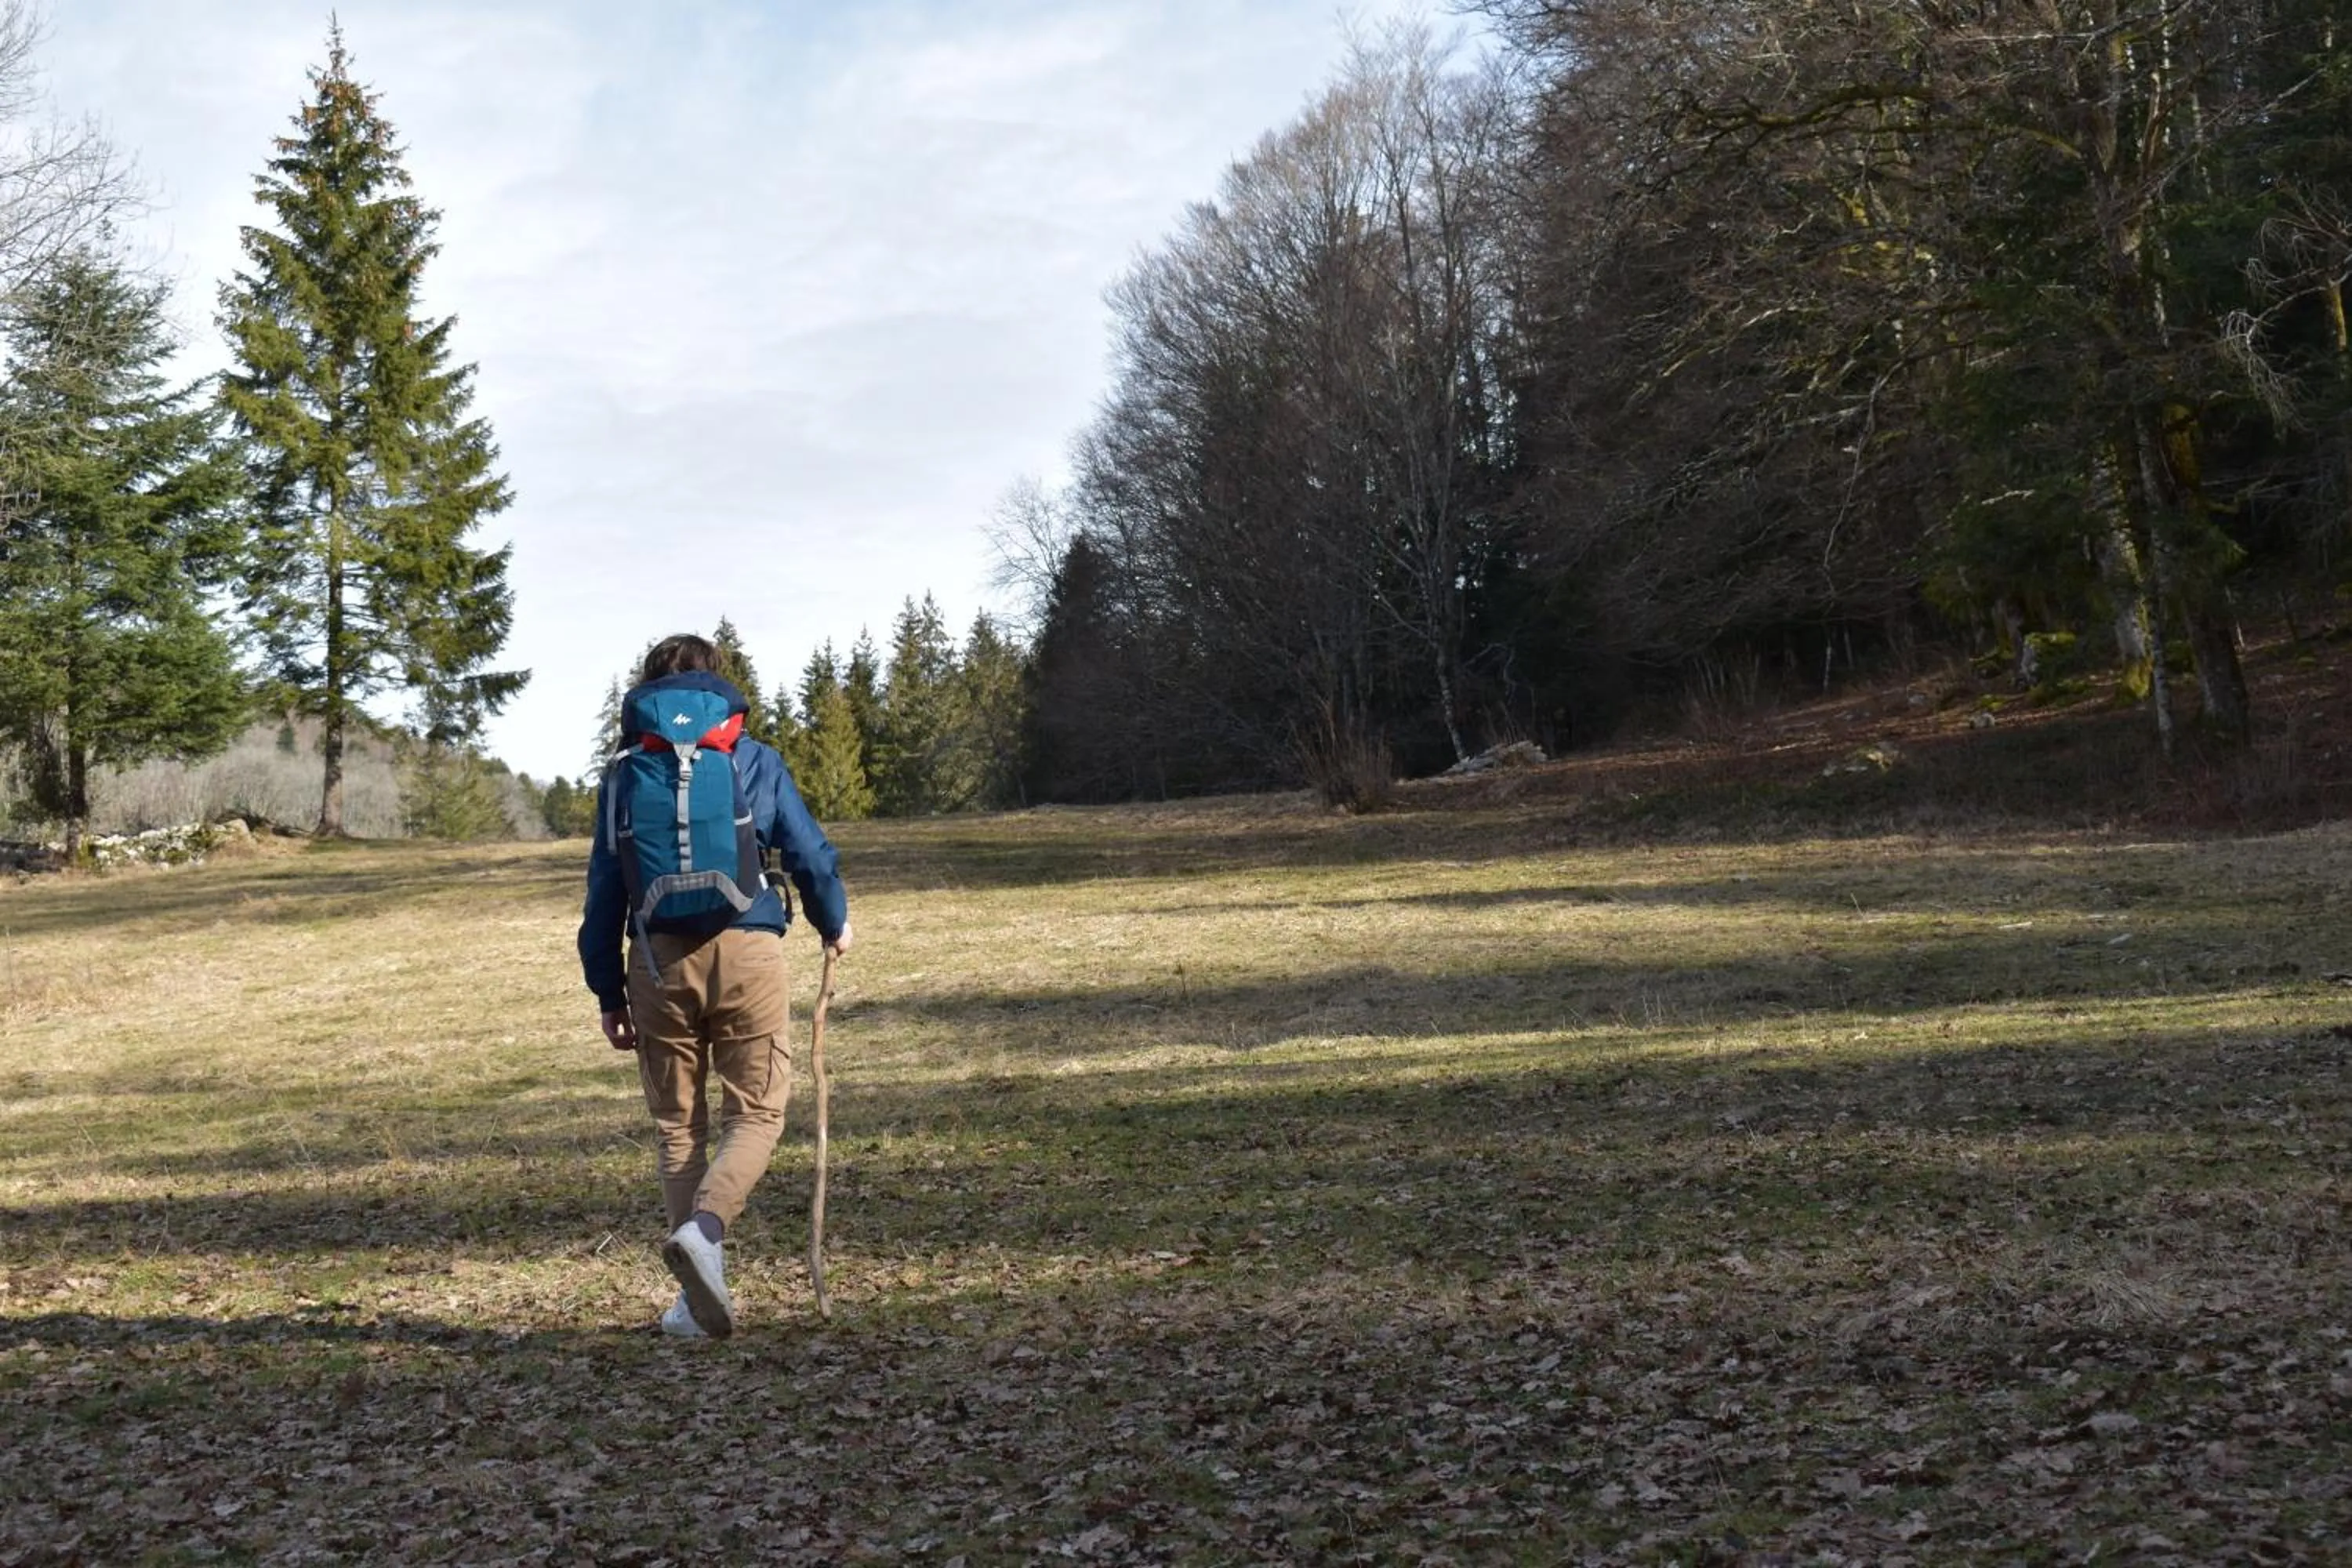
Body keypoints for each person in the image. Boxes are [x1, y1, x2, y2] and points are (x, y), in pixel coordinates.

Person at [578, 633, 853, 1338]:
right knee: (758, 1113)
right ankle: (705, 1231)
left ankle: (693, 1301)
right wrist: (834, 921)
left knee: (678, 1127)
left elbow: (605, 891)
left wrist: (609, 991)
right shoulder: (751, 757)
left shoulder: (623, 776)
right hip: (750, 947)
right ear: (714, 687)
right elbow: (809, 853)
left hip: (657, 957)